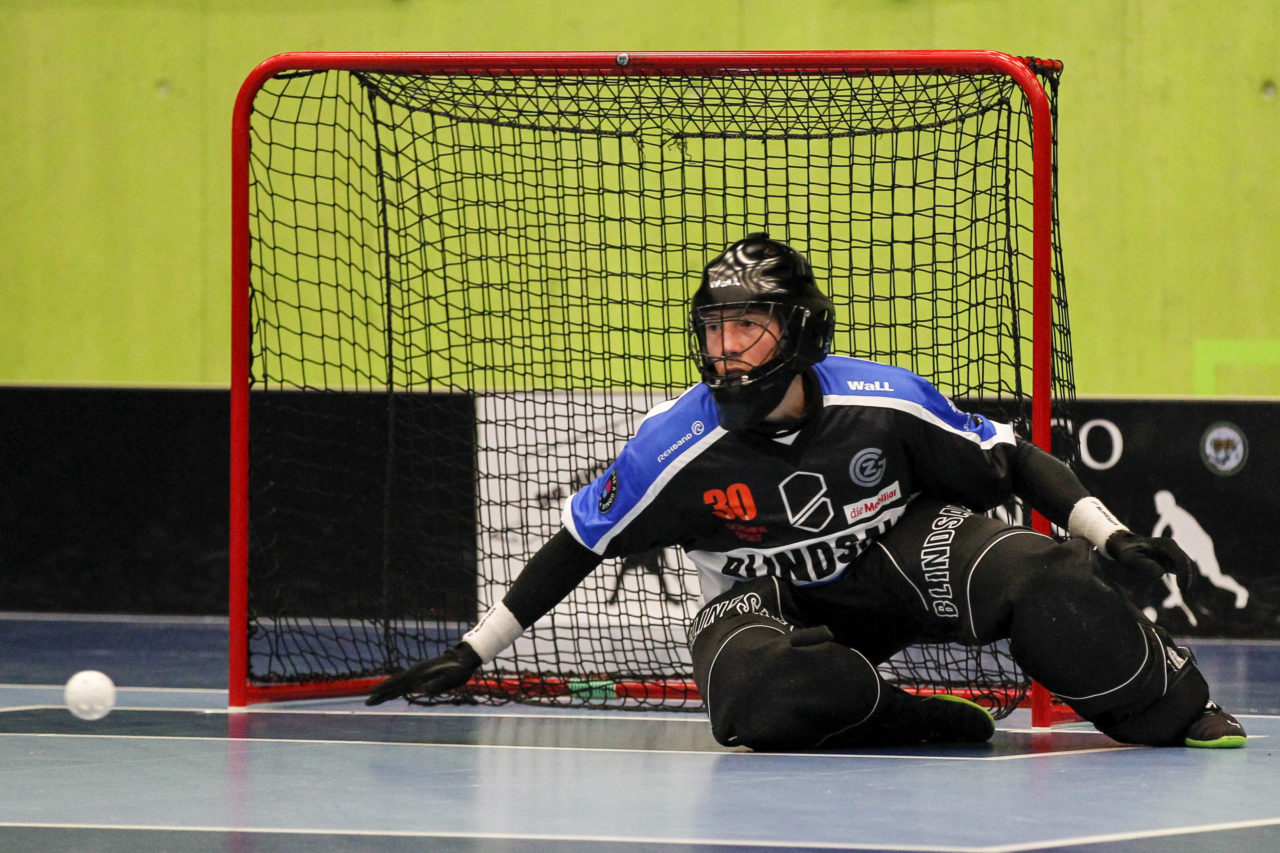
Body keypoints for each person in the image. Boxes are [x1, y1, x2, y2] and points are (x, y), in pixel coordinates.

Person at [367, 234, 1247, 751]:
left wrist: (1109, 534)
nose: (727, 348)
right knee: (750, 699)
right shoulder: (674, 448)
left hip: (899, 560)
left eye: (747, 325)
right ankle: (914, 719)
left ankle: (1172, 703)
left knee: (1046, 577)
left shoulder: (884, 403)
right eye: (714, 328)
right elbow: (577, 544)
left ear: (799, 331)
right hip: (768, 600)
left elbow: (1011, 460)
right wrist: (478, 649)